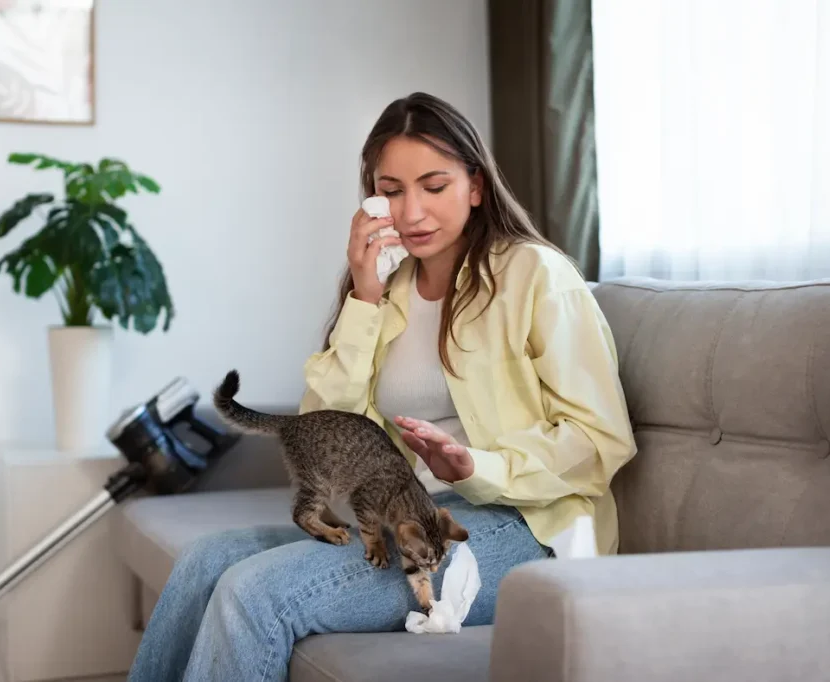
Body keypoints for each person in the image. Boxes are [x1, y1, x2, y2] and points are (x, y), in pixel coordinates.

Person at [127, 92, 636, 681]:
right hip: (408, 513)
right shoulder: (388, 290)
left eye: (434, 186)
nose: (412, 211)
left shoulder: (534, 276)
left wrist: (475, 466)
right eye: (392, 190)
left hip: (526, 527)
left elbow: (600, 441)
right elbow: (323, 433)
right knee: (205, 560)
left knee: (257, 593)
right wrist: (363, 297)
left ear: (476, 185)